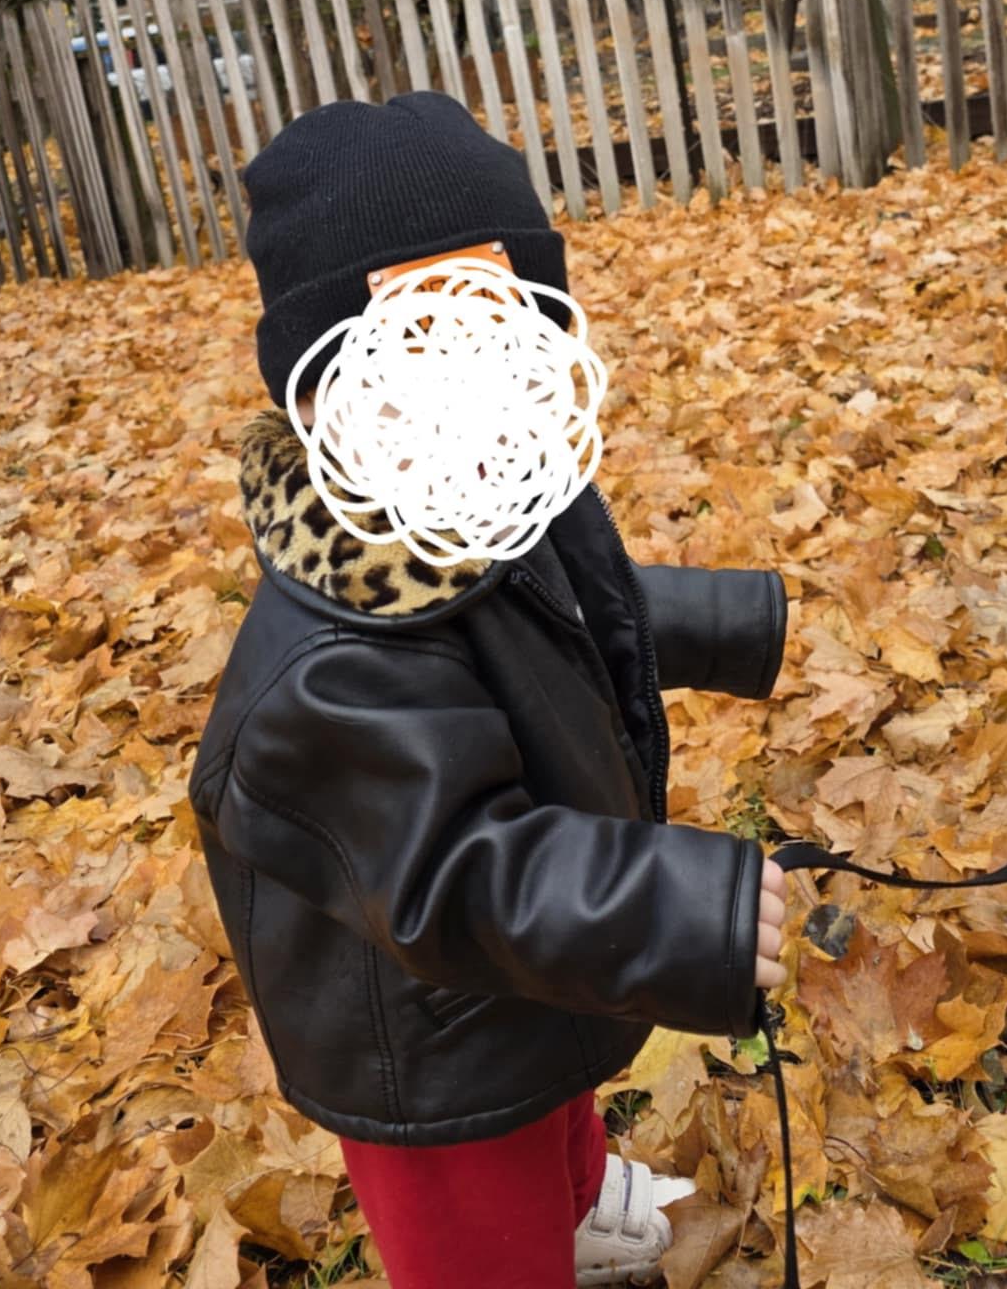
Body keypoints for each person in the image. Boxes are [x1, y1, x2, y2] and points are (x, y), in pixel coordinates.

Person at [189, 92, 790, 1289]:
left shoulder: (483, 501)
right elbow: (458, 870)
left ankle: (577, 1194)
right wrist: (686, 909)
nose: (472, 382)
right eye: (420, 349)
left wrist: (726, 625)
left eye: (504, 328)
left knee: (554, 1094)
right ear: (318, 397)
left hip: (520, 992)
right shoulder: (330, 667)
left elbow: (582, 604)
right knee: (485, 1222)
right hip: (426, 1038)